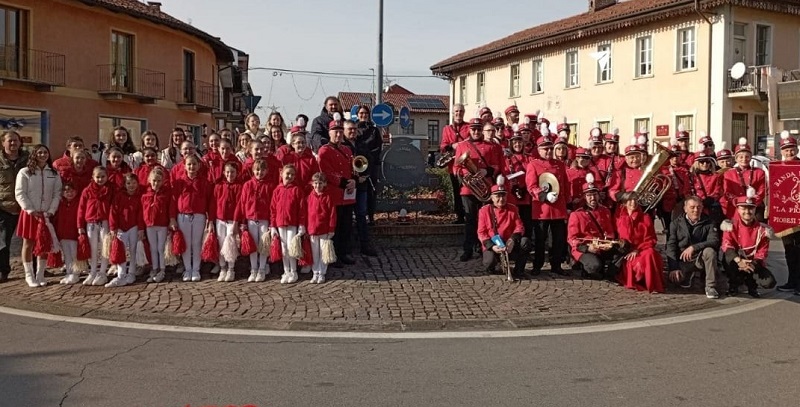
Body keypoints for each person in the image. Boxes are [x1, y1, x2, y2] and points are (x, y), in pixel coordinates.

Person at [454, 119, 504, 261]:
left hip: (486, 188)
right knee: (470, 220)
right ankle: (468, 249)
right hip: (468, 189)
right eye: (473, 129)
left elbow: (497, 166)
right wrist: (464, 174)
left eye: (478, 129)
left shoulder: (491, 146)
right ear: (469, 130)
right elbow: (456, 167)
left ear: (482, 130)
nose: (476, 132)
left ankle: (485, 249)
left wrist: (486, 171)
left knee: (488, 220)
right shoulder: (462, 145)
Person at [525, 125, 570, 275]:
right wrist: (543, 196)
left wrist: (567, 204)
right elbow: (531, 186)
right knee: (540, 239)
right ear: (539, 149)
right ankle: (537, 265)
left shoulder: (560, 164)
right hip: (542, 209)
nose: (549, 151)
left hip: (558, 208)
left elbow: (565, 184)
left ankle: (556, 265)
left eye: (550, 148)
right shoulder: (533, 164)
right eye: (545, 149)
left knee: (557, 240)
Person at [14, 144, 61, 287]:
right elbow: (20, 192)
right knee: (28, 243)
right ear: (34, 154)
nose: (42, 155)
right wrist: (30, 209)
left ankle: (40, 274)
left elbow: (57, 193)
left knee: (44, 244)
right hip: (30, 214)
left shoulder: (53, 173)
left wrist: (51, 210)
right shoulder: (25, 172)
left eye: (45, 152)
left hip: (46, 214)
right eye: (39, 152)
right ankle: (29, 275)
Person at [317, 116, 357, 267]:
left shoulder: (347, 149)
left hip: (347, 194)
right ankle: (333, 255)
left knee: (346, 225)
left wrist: (354, 179)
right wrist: (345, 183)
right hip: (334, 194)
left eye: (341, 132)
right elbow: (326, 172)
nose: (339, 135)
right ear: (329, 133)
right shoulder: (324, 150)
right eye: (335, 132)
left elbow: (353, 167)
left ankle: (344, 253)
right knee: (335, 226)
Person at [721, 189, 776, 297]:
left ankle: (752, 285)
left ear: (755, 209)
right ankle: (734, 284)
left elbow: (762, 253)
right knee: (727, 258)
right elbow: (727, 246)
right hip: (737, 260)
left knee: (769, 282)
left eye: (751, 208)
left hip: (754, 263)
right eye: (743, 208)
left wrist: (750, 265)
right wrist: (739, 261)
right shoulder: (730, 226)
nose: (747, 211)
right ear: (737, 209)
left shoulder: (763, 230)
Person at [567, 174, 622, 280]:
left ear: (598, 195)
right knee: (594, 266)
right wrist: (588, 248)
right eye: (589, 195)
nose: (592, 198)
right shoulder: (577, 214)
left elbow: (610, 231)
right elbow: (572, 239)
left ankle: (609, 274)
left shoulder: (605, 211)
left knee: (621, 254)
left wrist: (609, 243)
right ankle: (585, 267)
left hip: (602, 246)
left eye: (595, 194)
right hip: (586, 248)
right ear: (584, 197)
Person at [666, 196, 722, 299]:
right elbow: (671, 245)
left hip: (700, 258)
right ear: (685, 208)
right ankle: (687, 274)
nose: (696, 210)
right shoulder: (675, 224)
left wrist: (694, 247)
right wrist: (673, 268)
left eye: (698, 207)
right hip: (683, 260)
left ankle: (710, 286)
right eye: (692, 207)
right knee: (676, 280)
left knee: (710, 251)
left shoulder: (709, 222)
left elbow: (714, 241)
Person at [170, 154, 215, 282]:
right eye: (189, 164)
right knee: (186, 244)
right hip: (183, 216)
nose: (192, 167)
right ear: (184, 166)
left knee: (196, 243)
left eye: (194, 164)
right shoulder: (179, 182)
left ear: (199, 165)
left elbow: (210, 202)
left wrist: (210, 220)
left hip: (198, 216)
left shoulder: (204, 182)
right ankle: (187, 269)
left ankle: (196, 269)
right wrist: (172, 218)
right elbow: (173, 201)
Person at [477, 183, 530, 280]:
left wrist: (512, 240)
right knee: (489, 262)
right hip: (493, 244)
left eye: (503, 195)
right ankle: (493, 266)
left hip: (509, 244)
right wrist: (492, 246)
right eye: (497, 196)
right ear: (492, 198)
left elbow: (520, 226)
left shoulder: (513, 208)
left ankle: (519, 271)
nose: (501, 199)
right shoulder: (484, 211)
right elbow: (481, 232)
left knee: (525, 241)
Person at [616, 191, 665, 293]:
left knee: (650, 253)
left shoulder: (645, 217)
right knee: (648, 255)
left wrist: (637, 250)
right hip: (627, 252)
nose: (633, 202)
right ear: (624, 203)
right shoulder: (620, 219)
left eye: (635, 200)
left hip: (643, 249)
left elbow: (651, 239)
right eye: (630, 200)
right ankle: (648, 283)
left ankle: (652, 284)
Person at [235, 158, 273, 282]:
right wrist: (242, 222)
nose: (259, 172)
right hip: (250, 219)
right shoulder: (247, 185)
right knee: (252, 246)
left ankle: (262, 269)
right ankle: (253, 269)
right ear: (253, 171)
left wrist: (272, 223)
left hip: (264, 219)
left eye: (262, 170)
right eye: (257, 170)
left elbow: (273, 206)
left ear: (266, 171)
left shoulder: (269, 185)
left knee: (263, 245)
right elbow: (242, 204)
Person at [344, 120, 377, 256]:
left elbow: (369, 161)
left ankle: (365, 245)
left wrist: (365, 174)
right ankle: (347, 247)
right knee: (346, 217)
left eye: (354, 129)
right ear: (344, 130)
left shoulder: (362, 144)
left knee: (361, 215)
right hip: (347, 187)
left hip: (361, 186)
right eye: (350, 129)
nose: (352, 131)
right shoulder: (342, 145)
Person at [106, 173, 145, 287]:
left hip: (134, 227)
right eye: (128, 183)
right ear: (124, 184)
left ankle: (131, 273)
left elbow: (140, 214)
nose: (131, 186)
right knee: (120, 251)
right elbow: (113, 212)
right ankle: (121, 274)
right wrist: (113, 227)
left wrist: (140, 228)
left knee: (133, 250)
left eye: (133, 183)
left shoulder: (139, 197)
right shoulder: (119, 196)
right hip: (120, 228)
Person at [271, 164, 307, 284]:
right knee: (284, 249)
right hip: (280, 224)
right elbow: (273, 209)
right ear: (282, 174)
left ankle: (294, 271)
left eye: (292, 174)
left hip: (292, 223)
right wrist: (273, 226)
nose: (289, 176)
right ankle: (286, 271)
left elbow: (302, 209)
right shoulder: (277, 190)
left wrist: (302, 224)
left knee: (292, 248)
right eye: (287, 174)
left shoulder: (297, 190)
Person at [77, 166, 112, 286]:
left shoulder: (110, 190)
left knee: (105, 247)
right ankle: (92, 272)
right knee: (92, 248)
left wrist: (113, 224)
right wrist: (80, 225)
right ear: (93, 177)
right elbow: (81, 209)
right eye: (97, 177)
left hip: (105, 221)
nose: (100, 179)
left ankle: (102, 272)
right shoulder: (87, 191)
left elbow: (113, 208)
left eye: (103, 177)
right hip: (91, 222)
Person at [775, 131, 800, 294]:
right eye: (786, 150)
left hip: (799, 217)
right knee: (789, 252)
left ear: (796, 149)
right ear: (781, 151)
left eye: (791, 149)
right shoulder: (777, 168)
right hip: (785, 218)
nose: (789, 152)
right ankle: (792, 281)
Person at [721, 138, 766, 221]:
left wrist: (752, 202)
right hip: (736, 208)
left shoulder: (759, 172)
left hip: (754, 207)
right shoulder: (729, 174)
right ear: (736, 159)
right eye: (741, 157)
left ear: (751, 157)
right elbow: (727, 192)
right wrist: (740, 203)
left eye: (747, 156)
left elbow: (762, 191)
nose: (744, 159)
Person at [440, 103, 470, 224]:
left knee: (467, 191)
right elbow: (442, 145)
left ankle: (469, 214)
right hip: (453, 165)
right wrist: (452, 145)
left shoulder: (468, 127)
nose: (459, 113)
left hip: (466, 166)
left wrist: (462, 145)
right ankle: (459, 216)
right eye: (456, 111)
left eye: (461, 111)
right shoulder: (447, 129)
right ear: (453, 113)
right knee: (456, 191)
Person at [213, 162, 242, 283]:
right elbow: (213, 204)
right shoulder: (219, 186)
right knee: (221, 244)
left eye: (233, 172)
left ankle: (231, 269)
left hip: (232, 220)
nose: (230, 174)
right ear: (224, 173)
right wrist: (211, 221)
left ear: (237, 173)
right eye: (228, 172)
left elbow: (239, 206)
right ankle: (222, 268)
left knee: (230, 244)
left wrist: (236, 222)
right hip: (220, 220)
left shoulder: (239, 187)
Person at [355, 105, 383, 225]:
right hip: (357, 163)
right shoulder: (354, 129)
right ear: (357, 115)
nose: (363, 115)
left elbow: (378, 146)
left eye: (365, 113)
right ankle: (358, 216)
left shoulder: (374, 130)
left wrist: (369, 158)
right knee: (358, 190)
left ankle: (370, 216)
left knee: (371, 191)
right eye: (361, 113)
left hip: (371, 164)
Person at [141, 167, 170, 283]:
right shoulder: (145, 196)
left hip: (162, 225)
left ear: (162, 181)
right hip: (149, 225)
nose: (156, 183)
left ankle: (162, 269)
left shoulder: (165, 194)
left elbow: (169, 208)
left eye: (158, 181)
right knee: (153, 248)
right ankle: (154, 268)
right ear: (149, 181)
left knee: (160, 248)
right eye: (154, 181)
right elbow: (141, 211)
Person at [307, 172, 336, 284]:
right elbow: (307, 213)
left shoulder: (328, 197)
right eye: (316, 183)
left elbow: (332, 214)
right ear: (312, 184)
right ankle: (315, 272)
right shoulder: (309, 197)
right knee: (315, 253)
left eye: (320, 183)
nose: (318, 186)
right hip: (313, 229)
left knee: (324, 252)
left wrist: (331, 228)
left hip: (324, 229)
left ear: (324, 184)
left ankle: (322, 272)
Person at [505, 134, 533, 239]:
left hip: (526, 194)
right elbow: (505, 173)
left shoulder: (529, 157)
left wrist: (525, 187)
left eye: (520, 142)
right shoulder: (507, 158)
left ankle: (526, 243)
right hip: (513, 194)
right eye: (515, 142)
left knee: (527, 221)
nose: (517, 144)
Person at [687, 149, 723, 224]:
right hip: (696, 208)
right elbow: (687, 191)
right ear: (697, 163)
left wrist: (711, 199)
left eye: (707, 162)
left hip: (712, 207)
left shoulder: (716, 176)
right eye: (702, 162)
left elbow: (718, 190)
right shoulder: (691, 177)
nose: (705, 164)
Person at [54, 183, 80, 284]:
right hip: (63, 234)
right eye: (66, 191)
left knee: (74, 254)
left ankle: (76, 273)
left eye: (71, 191)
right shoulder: (60, 204)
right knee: (67, 255)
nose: (69, 193)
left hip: (74, 234)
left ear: (75, 192)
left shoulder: (78, 203)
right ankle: (69, 272)